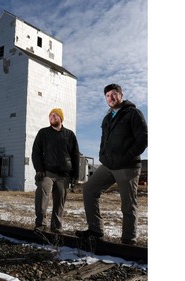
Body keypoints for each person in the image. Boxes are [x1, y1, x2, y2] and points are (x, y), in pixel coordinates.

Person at [76, 84, 148, 245]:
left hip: (127, 166)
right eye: (108, 95)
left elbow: (143, 138)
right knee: (89, 189)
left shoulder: (133, 113)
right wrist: (102, 156)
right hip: (109, 164)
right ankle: (95, 231)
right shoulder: (107, 118)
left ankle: (128, 240)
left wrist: (127, 156)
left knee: (128, 204)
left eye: (114, 94)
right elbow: (104, 141)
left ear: (121, 95)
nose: (111, 98)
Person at [32, 108, 80, 234]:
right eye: (50, 115)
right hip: (47, 173)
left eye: (55, 115)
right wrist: (39, 170)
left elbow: (75, 155)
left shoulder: (69, 135)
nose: (52, 117)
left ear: (61, 118)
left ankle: (56, 228)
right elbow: (36, 153)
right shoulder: (43, 133)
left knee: (59, 203)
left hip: (64, 175)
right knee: (42, 193)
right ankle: (40, 225)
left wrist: (76, 175)